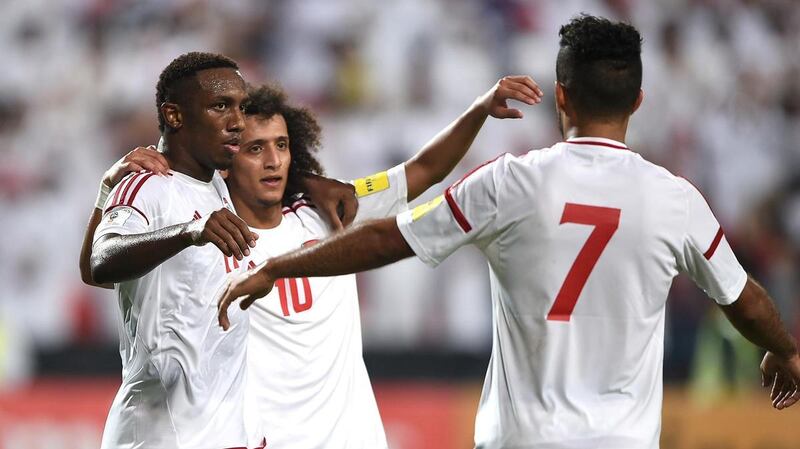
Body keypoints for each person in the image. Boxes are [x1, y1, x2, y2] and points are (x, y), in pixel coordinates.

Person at [218, 15, 800, 449]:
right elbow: (743, 300)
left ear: (561, 95)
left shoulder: (509, 183)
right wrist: (784, 349)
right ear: (639, 101)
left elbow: (388, 237)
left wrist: (281, 264)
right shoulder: (676, 199)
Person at [225, 79, 540, 449]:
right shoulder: (210, 239)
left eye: (282, 145)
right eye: (255, 149)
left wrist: (479, 110)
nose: (273, 161)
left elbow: (423, 171)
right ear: (225, 161)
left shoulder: (332, 210)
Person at [84, 52, 355, 449]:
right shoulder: (149, 184)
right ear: (175, 116)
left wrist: (312, 183)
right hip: (166, 434)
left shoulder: (216, 185)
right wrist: (187, 231)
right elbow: (100, 261)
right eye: (220, 106)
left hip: (231, 428)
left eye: (241, 107)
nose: (237, 122)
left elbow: (269, 177)